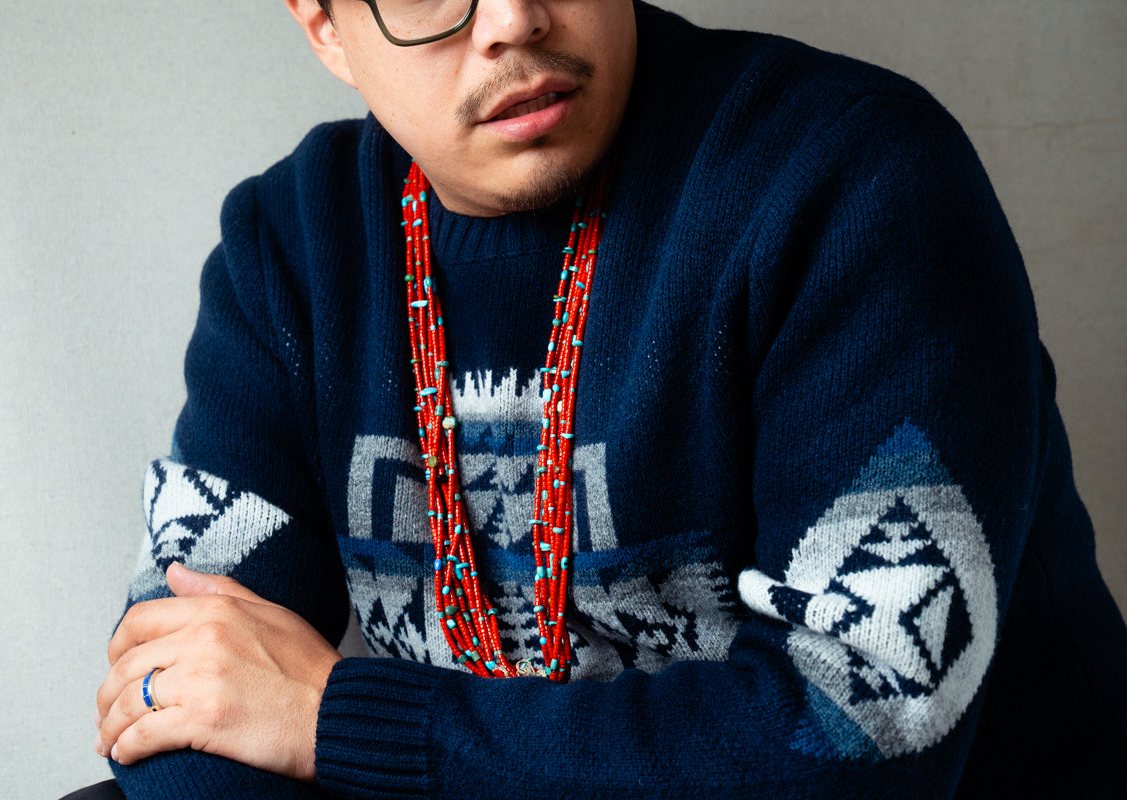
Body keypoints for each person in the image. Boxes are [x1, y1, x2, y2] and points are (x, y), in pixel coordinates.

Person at [83, 0, 1127, 797]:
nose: (514, 23)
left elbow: (859, 737)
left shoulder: (854, 179)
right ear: (325, 27)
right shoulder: (289, 251)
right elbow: (181, 691)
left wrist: (338, 719)